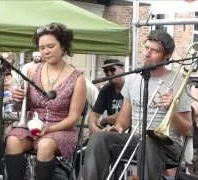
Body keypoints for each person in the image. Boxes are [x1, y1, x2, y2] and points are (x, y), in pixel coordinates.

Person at [82, 30, 192, 180]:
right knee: (99, 139)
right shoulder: (133, 79)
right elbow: (124, 120)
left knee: (149, 141)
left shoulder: (178, 81)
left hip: (168, 145)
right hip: (136, 140)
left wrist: (171, 111)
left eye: (154, 51)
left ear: (166, 56)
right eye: (146, 48)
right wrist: (118, 127)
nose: (147, 53)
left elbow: (187, 129)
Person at [5, 22, 86, 180]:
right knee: (12, 140)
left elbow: (73, 118)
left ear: (63, 46)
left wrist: (49, 130)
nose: (46, 51)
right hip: (32, 125)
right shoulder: (31, 70)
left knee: (45, 145)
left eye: (50, 46)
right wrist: (18, 98)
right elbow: (24, 105)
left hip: (61, 128)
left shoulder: (78, 79)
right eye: (42, 48)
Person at [88, 59, 125, 136]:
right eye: (106, 71)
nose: (109, 73)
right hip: (112, 133)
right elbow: (94, 113)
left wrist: (105, 120)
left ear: (122, 69)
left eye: (112, 69)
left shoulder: (130, 86)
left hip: (129, 132)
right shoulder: (105, 90)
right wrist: (92, 125)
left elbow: (127, 115)